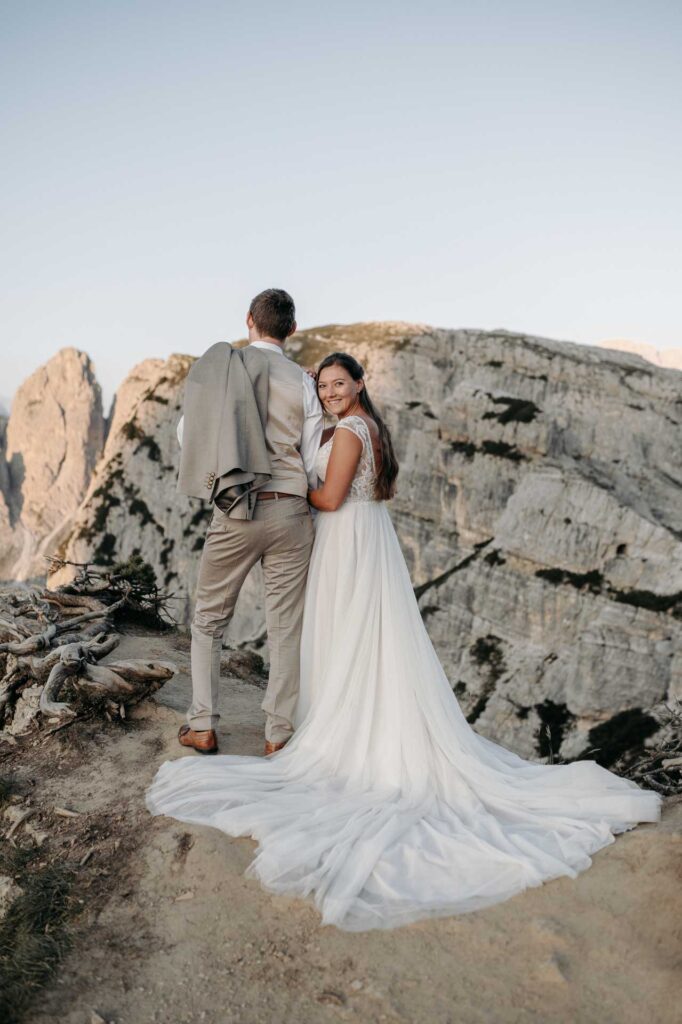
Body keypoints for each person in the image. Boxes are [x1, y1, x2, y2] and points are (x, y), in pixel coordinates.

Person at [147, 352, 662, 931]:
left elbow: (329, 499)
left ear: (360, 384)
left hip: (344, 535)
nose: (331, 392)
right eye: (324, 385)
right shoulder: (363, 427)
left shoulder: (349, 432)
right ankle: (328, 719)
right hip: (358, 540)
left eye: (340, 383)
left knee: (345, 635)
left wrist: (286, 476)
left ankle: (333, 729)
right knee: (357, 640)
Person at [175, 288, 323, 756]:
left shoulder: (226, 369)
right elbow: (314, 452)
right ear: (292, 330)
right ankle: (278, 735)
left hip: (237, 508)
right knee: (285, 628)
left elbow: (187, 433)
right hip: (290, 508)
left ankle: (202, 724)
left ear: (249, 321)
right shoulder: (304, 381)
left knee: (209, 620)